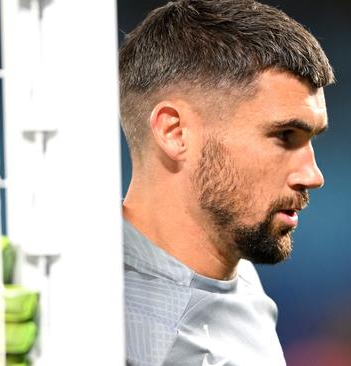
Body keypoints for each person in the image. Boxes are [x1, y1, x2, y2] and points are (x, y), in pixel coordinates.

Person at [119, 0, 334, 365]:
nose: (313, 176)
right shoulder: (85, 321)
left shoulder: (236, 270)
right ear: (175, 132)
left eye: (311, 139)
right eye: (284, 135)